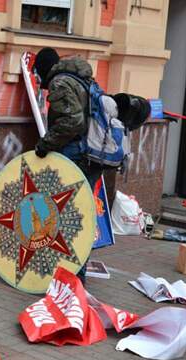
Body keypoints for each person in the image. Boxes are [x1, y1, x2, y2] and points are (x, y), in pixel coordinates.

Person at [32, 47, 150, 283]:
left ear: (44, 68)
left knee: (69, 214)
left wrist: (46, 144)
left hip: (77, 156)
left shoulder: (60, 83)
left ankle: (74, 275)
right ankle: (73, 273)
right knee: (79, 213)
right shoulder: (83, 80)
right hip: (92, 156)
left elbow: (72, 122)